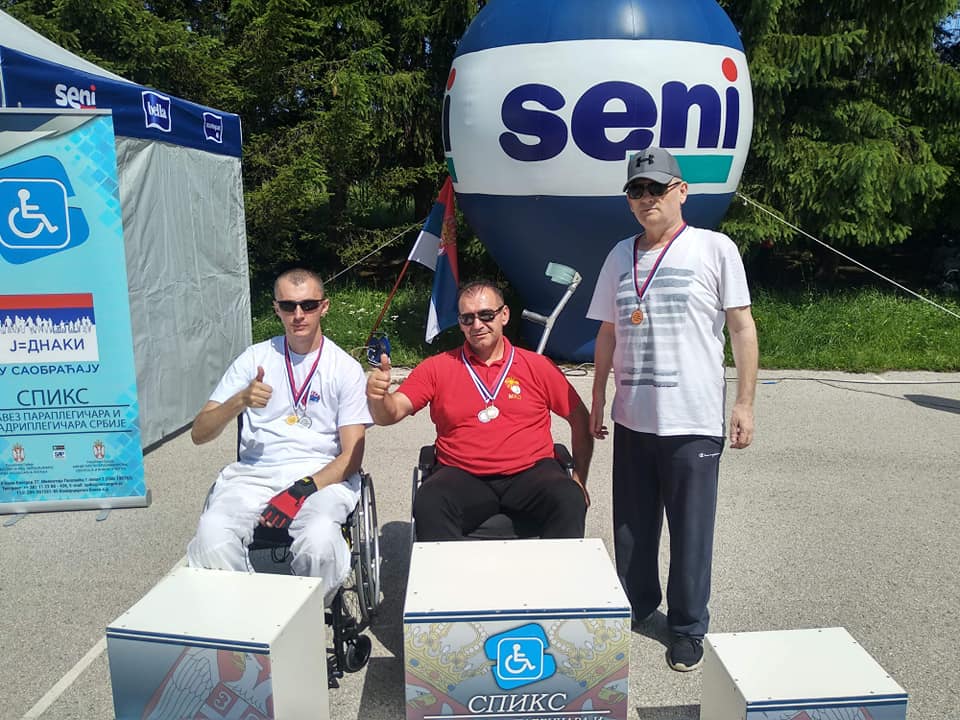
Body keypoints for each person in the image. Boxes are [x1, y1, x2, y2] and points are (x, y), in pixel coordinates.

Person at [587, 148, 758, 672]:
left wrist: (745, 402)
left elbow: (742, 328)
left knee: (690, 532)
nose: (646, 199)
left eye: (655, 188)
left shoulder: (714, 248)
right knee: (632, 527)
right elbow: (608, 332)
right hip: (633, 415)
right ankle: (637, 604)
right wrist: (598, 397)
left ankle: (686, 628)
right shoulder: (619, 255)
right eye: (636, 191)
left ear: (681, 192)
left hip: (692, 418)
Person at [187, 268, 372, 603]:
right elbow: (199, 433)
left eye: (308, 305)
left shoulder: (344, 368)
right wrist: (239, 401)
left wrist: (301, 490)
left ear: (324, 306)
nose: (298, 314)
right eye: (288, 306)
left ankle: (306, 615)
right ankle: (246, 613)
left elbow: (351, 456)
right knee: (211, 535)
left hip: (319, 477)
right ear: (276, 309)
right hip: (255, 474)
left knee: (319, 544)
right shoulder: (254, 358)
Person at [366, 280, 592, 539]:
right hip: (462, 473)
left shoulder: (537, 366)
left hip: (531, 472)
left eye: (486, 315)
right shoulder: (437, 367)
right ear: (460, 322)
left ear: (504, 315)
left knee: (568, 497)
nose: (477, 325)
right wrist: (378, 398)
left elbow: (580, 418)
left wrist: (579, 478)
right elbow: (391, 413)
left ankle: (556, 568)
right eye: (467, 318)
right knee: (430, 501)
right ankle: (449, 568)